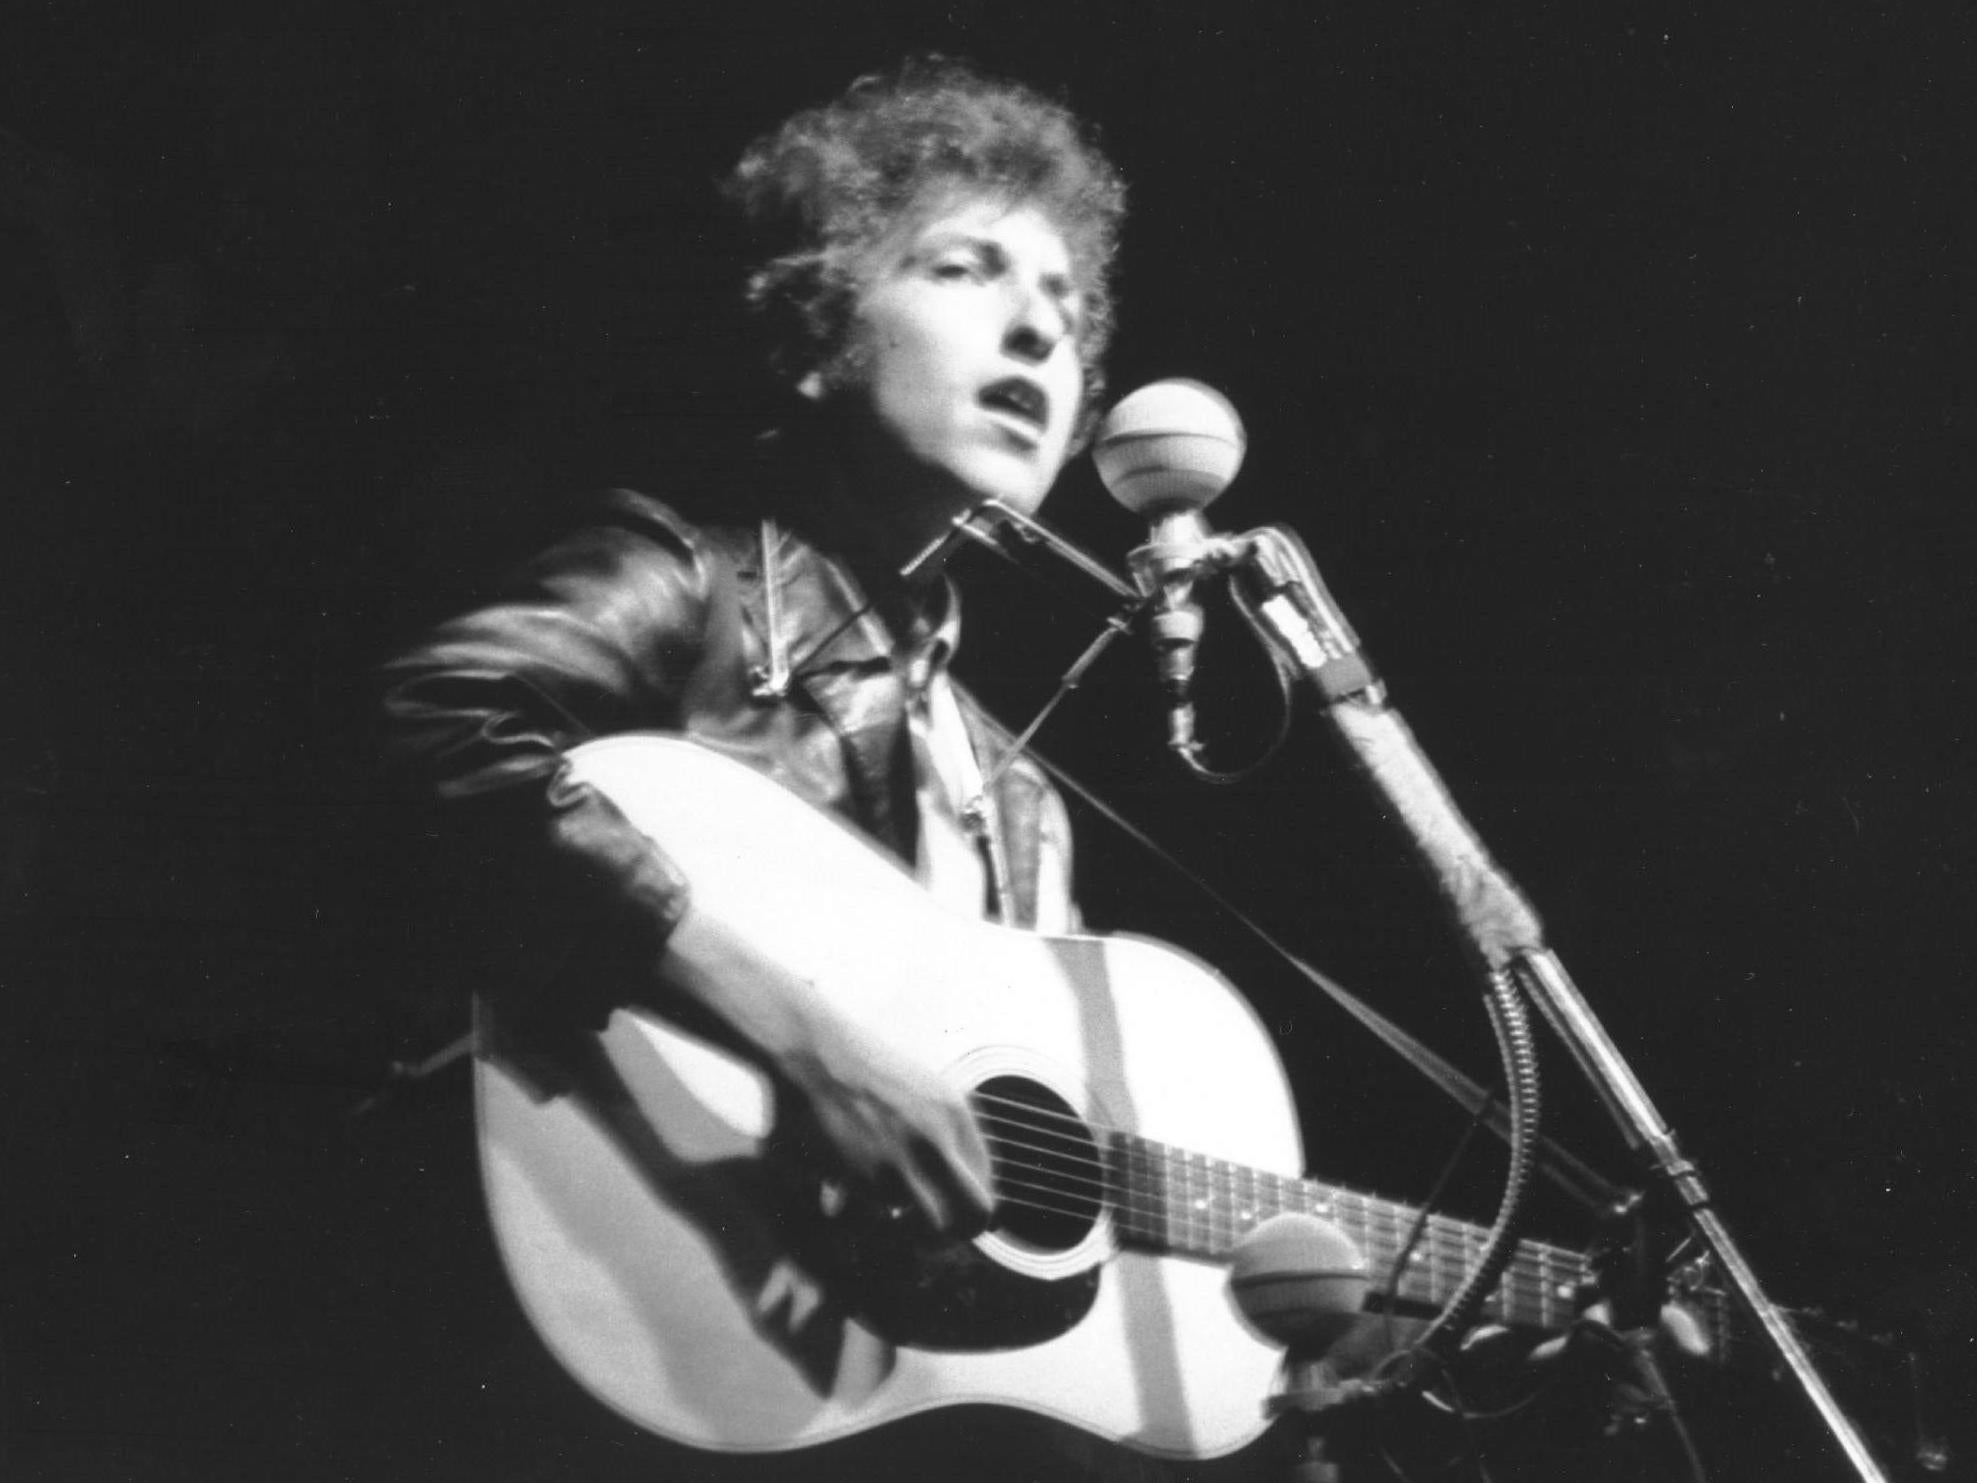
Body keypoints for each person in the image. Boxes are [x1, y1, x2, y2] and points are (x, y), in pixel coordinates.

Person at [379, 57, 1126, 1250]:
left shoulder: (1021, 801)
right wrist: (805, 1040)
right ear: (816, 334)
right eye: (962, 271)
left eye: (1068, 308)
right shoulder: (693, 578)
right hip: (594, 1250)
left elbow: (1003, 1158)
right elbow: (436, 724)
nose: (1041, 328)